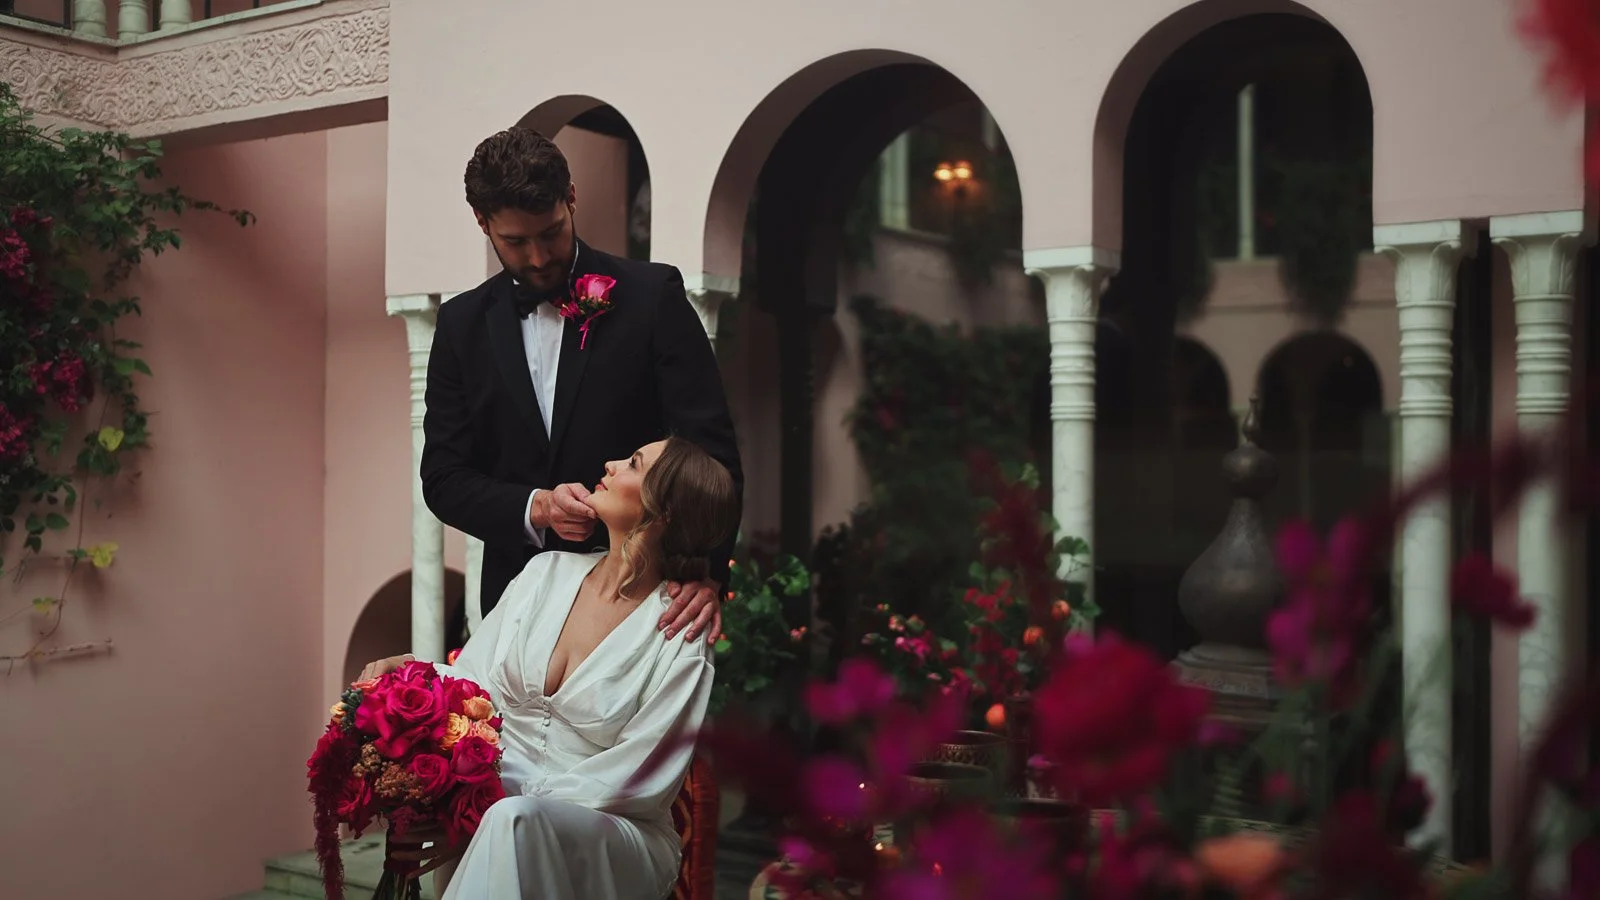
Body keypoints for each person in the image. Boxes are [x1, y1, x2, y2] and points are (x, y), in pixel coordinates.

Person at [357, 436, 737, 899]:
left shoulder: (682, 632)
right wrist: (411, 674)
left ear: (666, 511)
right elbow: (474, 686)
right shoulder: (545, 573)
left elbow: (641, 780)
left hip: (610, 829)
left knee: (513, 822)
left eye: (633, 464)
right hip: (496, 806)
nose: (611, 464)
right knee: (507, 824)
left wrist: (493, 802)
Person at [420, 126, 742, 641]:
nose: (539, 258)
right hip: (516, 610)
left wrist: (707, 574)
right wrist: (536, 507)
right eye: (515, 242)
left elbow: (711, 454)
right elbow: (443, 478)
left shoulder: (651, 297)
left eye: (550, 233)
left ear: (571, 198)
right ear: (482, 223)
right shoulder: (461, 327)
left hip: (647, 605)